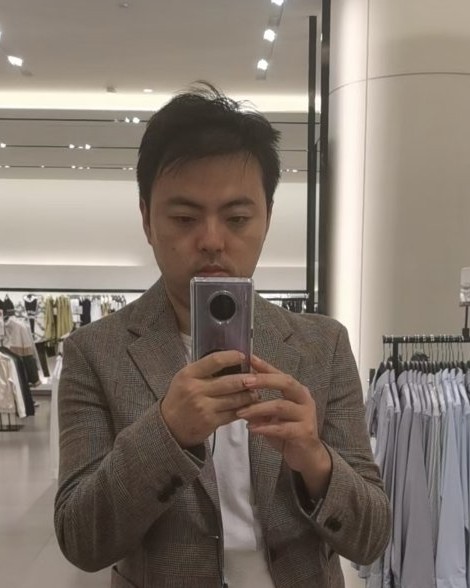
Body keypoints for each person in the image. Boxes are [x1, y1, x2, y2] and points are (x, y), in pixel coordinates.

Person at [54, 84, 391, 588]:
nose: (212, 240)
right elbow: (81, 540)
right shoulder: (94, 352)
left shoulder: (323, 346)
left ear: (267, 218)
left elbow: (372, 537)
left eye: (236, 218)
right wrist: (166, 432)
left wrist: (315, 460)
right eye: (184, 218)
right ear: (146, 219)